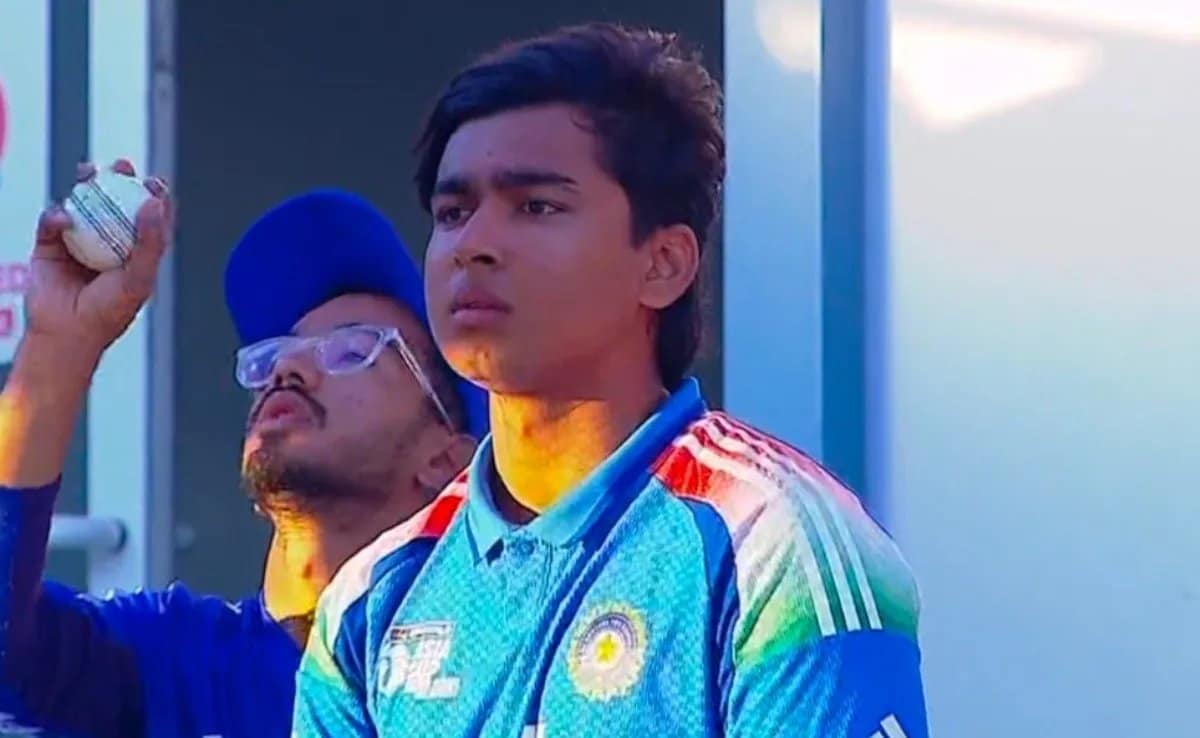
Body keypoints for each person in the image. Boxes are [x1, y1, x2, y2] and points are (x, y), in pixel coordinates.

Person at [293, 22, 928, 738]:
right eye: (453, 212)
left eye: (536, 206)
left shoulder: (773, 545)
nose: (473, 245)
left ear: (664, 264)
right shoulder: (371, 599)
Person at [0, 162, 486, 738]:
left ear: (446, 460)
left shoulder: (493, 671)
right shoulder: (176, 660)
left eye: (352, 349)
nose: (288, 367)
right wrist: (61, 340)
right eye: (274, 352)